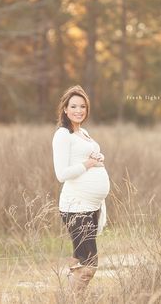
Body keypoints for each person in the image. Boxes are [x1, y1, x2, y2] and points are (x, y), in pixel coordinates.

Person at [52, 85, 110, 297]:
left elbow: (87, 158)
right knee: (90, 263)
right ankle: (73, 299)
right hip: (76, 206)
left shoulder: (82, 132)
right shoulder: (62, 135)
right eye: (74, 106)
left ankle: (65, 295)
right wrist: (88, 164)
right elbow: (61, 174)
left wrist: (98, 158)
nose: (79, 110)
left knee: (79, 257)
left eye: (83, 106)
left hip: (91, 206)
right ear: (65, 109)